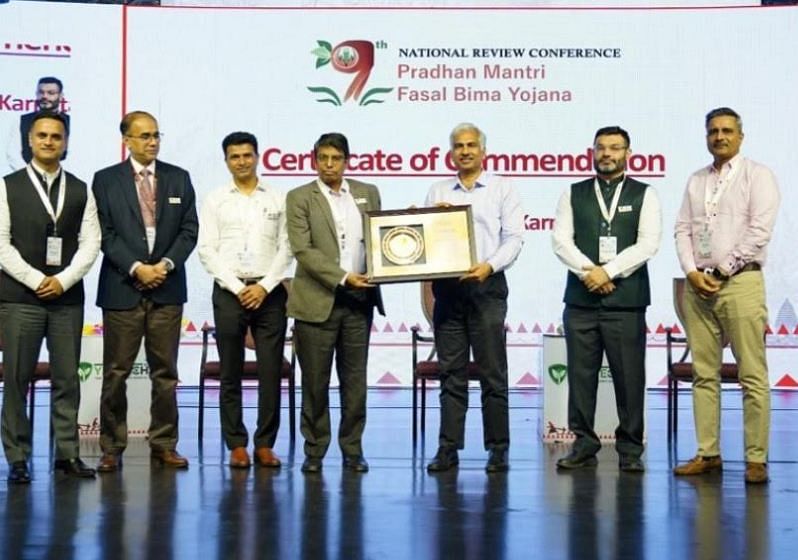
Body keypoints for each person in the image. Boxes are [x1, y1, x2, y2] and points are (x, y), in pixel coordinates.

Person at [673, 107, 779, 484]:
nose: (720, 137)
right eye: (713, 131)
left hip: (741, 283)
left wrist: (721, 271)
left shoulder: (758, 176)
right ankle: (708, 452)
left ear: (740, 136)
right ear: (706, 136)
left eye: (727, 131)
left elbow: (759, 232)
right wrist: (691, 272)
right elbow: (683, 229)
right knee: (704, 374)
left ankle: (756, 458)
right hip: (700, 286)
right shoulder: (696, 180)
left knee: (752, 373)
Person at [92, 111, 198, 471]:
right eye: (144, 136)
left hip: (167, 288)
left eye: (156, 135)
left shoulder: (178, 178)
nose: (152, 141)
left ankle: (164, 443)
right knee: (116, 372)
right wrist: (138, 267)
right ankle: (111, 446)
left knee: (165, 373)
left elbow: (189, 231)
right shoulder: (105, 180)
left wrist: (164, 266)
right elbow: (104, 233)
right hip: (123, 287)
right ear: (127, 140)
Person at [551, 126, 661, 473]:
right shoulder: (573, 192)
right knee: (581, 378)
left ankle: (630, 449)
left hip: (625, 302)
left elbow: (648, 244)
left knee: (629, 378)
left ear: (628, 153)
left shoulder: (646, 194)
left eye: (615, 148)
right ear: (592, 152)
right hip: (581, 303)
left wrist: (609, 271)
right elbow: (560, 241)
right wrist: (590, 272)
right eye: (601, 148)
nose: (607, 154)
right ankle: (584, 444)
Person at [0, 112, 100, 483]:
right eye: (41, 135)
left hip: (66, 300)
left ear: (66, 141)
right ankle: (18, 457)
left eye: (56, 136)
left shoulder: (80, 188)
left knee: (67, 379)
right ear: (29, 139)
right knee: (16, 380)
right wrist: (38, 278)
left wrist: (64, 280)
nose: (48, 141)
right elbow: (1, 244)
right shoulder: (7, 185)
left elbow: (92, 243)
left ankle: (67, 454)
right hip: (19, 299)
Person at [425, 123, 524, 473]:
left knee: (492, 373)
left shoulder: (501, 188)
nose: (464, 151)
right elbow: (428, 244)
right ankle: (447, 448)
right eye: (458, 146)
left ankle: (498, 448)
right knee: (450, 373)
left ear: (483, 151)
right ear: (450, 152)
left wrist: (488, 266)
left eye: (471, 145)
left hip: (487, 287)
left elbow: (513, 239)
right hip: (449, 291)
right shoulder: (437, 190)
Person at [286, 132, 383, 473]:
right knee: (315, 382)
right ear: (313, 159)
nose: (329, 164)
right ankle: (314, 450)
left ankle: (352, 448)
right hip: (318, 301)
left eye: (336, 158)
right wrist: (343, 277)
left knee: (355, 380)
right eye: (323, 158)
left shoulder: (367, 193)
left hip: (360, 301)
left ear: (347, 160)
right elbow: (303, 250)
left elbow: (381, 239)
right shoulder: (299, 197)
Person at [198, 131, 292, 469]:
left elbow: (288, 247)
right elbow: (207, 250)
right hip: (229, 293)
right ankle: (236, 444)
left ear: (258, 156)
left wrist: (264, 286)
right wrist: (239, 288)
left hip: (270, 293)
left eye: (247, 155)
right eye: (235, 156)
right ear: (226, 161)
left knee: (270, 373)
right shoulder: (215, 199)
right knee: (230, 372)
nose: (241, 161)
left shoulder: (278, 198)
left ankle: (264, 444)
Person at [6, 77, 70, 171]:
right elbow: (12, 154)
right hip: (25, 179)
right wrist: (31, 175)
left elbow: (74, 156)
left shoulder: (71, 121)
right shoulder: (21, 120)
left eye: (50, 93)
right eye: (41, 92)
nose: (45, 96)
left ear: (61, 96)